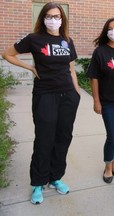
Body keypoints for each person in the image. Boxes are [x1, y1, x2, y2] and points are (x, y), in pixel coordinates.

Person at [2, 2, 80, 204]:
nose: (53, 20)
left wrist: (77, 92)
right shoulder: (34, 39)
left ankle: (55, 177)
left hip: (68, 97)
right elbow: (7, 54)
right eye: (49, 16)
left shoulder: (67, 40)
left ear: (62, 19)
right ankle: (38, 183)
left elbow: (71, 69)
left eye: (57, 16)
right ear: (43, 18)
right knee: (44, 139)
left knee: (63, 138)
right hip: (45, 95)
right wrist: (29, 68)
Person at [87, 18, 114, 184]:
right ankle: (107, 167)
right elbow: (94, 78)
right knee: (112, 136)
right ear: (106, 32)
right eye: (110, 28)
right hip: (109, 102)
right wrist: (96, 101)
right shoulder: (101, 52)